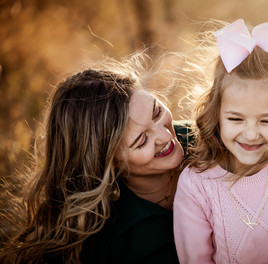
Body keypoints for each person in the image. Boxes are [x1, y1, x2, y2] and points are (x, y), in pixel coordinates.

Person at [0, 52, 191, 263]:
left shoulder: (212, 139)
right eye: (142, 141)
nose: (166, 136)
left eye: (156, 113)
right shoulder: (103, 242)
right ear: (110, 162)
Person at [173, 18, 268, 263]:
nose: (250, 135)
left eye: (266, 121)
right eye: (236, 119)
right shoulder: (196, 185)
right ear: (216, 114)